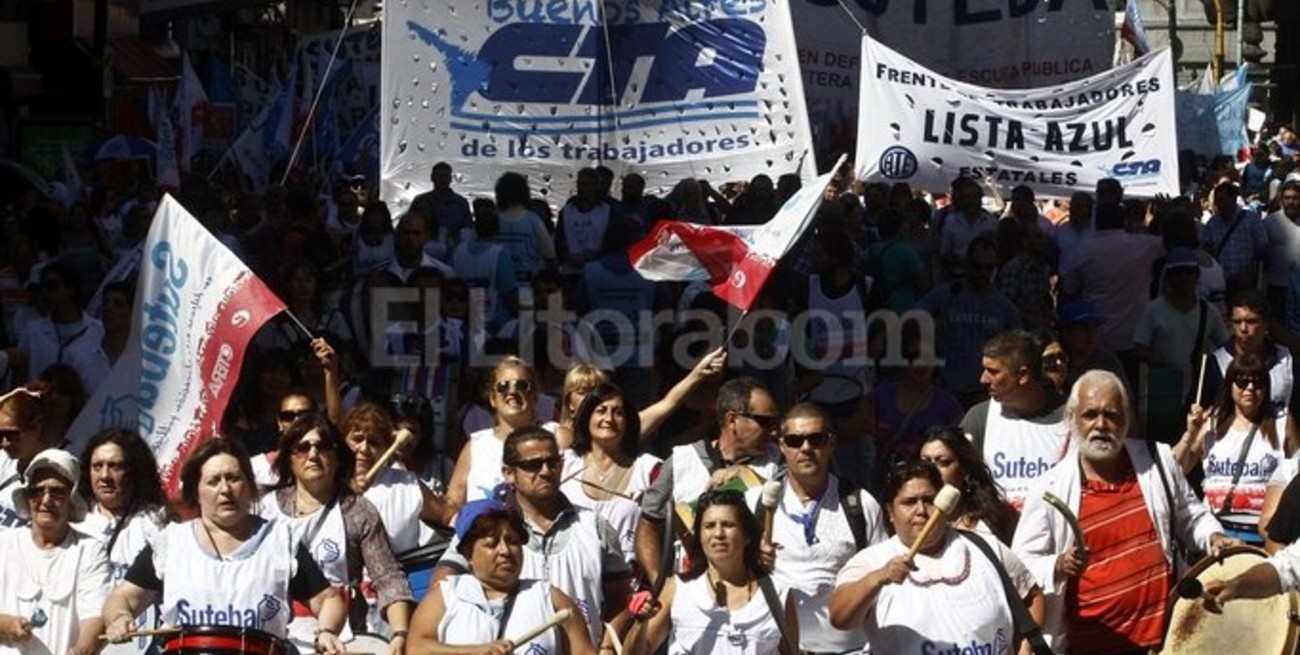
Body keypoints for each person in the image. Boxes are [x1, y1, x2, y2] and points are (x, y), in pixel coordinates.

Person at [1011, 370, 1234, 654]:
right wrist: (1057, 564)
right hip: (1087, 646)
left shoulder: (1157, 461)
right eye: (1090, 414)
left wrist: (1213, 536)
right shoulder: (1049, 488)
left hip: (1164, 642)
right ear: (1072, 419)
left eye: (1112, 415)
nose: (1101, 425)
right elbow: (1020, 566)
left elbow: (1192, 515)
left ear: (1126, 420)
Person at [102, 439, 348, 654]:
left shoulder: (280, 541)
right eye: (213, 481)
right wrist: (120, 618)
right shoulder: (171, 542)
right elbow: (122, 597)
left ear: (250, 487)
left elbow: (329, 601)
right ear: (196, 492)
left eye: (233, 478)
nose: (225, 489)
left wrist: (325, 631)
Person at [435, 426, 631, 644]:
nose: (546, 471)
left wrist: (607, 647)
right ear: (509, 473)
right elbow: (443, 588)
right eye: (533, 465)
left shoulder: (594, 526)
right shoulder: (481, 527)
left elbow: (621, 599)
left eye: (552, 462)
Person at [829, 459, 1044, 655]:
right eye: (909, 502)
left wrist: (1026, 648)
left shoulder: (985, 547)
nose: (922, 510)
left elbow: (1031, 595)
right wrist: (878, 578)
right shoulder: (871, 562)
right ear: (890, 512)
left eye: (930, 500)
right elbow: (840, 618)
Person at [259, 414, 414, 653]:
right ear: (289, 459)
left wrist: (400, 633)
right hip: (273, 635)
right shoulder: (263, 509)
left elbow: (388, 577)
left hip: (344, 640)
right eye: (302, 447)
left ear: (338, 457)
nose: (312, 454)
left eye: (322, 447)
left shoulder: (358, 510)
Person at [750, 403, 887, 654]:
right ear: (781, 446)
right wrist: (751, 560)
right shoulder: (755, 503)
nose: (806, 448)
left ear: (831, 443)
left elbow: (882, 583)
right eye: (794, 440)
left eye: (816, 439)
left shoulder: (860, 504)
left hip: (853, 649)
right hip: (780, 649)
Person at [636, 378, 785, 586]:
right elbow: (648, 524)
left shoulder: (780, 461)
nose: (774, 431)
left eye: (775, 423)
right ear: (732, 419)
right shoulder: (682, 460)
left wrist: (743, 474)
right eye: (765, 422)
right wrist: (660, 583)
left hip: (755, 590)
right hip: (694, 593)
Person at [407, 499, 599, 655]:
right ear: (468, 554)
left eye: (513, 542)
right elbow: (416, 648)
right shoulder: (446, 597)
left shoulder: (549, 597)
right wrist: (475, 651)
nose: (505, 551)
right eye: (491, 544)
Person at [628, 489, 798, 655]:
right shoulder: (678, 589)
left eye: (728, 525)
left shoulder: (778, 593)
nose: (718, 534)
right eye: (709, 526)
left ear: (747, 536)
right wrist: (640, 622)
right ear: (700, 536)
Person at [1176, 353, 1298, 544]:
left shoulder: (1282, 424)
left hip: (1265, 534)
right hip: (1217, 533)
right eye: (1242, 381)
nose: (1250, 388)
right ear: (1230, 385)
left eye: (1258, 382)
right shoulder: (1210, 423)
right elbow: (1176, 469)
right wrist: (1190, 434)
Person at [0, 450, 109, 655]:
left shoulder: (90, 550)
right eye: (37, 491)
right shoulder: (3, 544)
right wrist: (6, 625)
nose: (46, 500)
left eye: (57, 492)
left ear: (72, 500)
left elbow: (95, 615)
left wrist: (81, 650)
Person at [960, 330, 1069, 510]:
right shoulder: (979, 418)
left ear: (1023, 375)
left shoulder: (1072, 419)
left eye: (993, 372)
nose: (983, 379)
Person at [562, 383, 663, 563]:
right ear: (587, 417)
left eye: (618, 412)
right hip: (573, 580)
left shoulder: (648, 470)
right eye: (601, 410)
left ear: (628, 422)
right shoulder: (564, 465)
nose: (609, 418)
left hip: (632, 584)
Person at [342, 403, 456, 555]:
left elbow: (449, 517)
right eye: (357, 439)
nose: (364, 449)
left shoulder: (408, 485)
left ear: (385, 448)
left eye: (373, 442)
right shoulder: (327, 484)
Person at [448, 357, 561, 507]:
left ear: (534, 397)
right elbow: (453, 504)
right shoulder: (476, 444)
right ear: (493, 399)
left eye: (522, 385)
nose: (512, 391)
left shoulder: (555, 434)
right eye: (502, 386)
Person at [75, 429, 169, 583]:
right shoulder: (75, 523)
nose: (104, 476)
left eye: (115, 466)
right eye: (97, 466)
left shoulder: (156, 523)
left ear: (134, 471)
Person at [918, 425, 1020, 545]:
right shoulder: (913, 518)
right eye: (925, 462)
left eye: (944, 462)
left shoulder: (995, 519)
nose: (932, 469)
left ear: (965, 469)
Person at [0, 387, 63, 529]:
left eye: (12, 435)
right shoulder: (3, 460)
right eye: (0, 436)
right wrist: (11, 395)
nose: (4, 443)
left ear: (36, 427)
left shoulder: (59, 472)